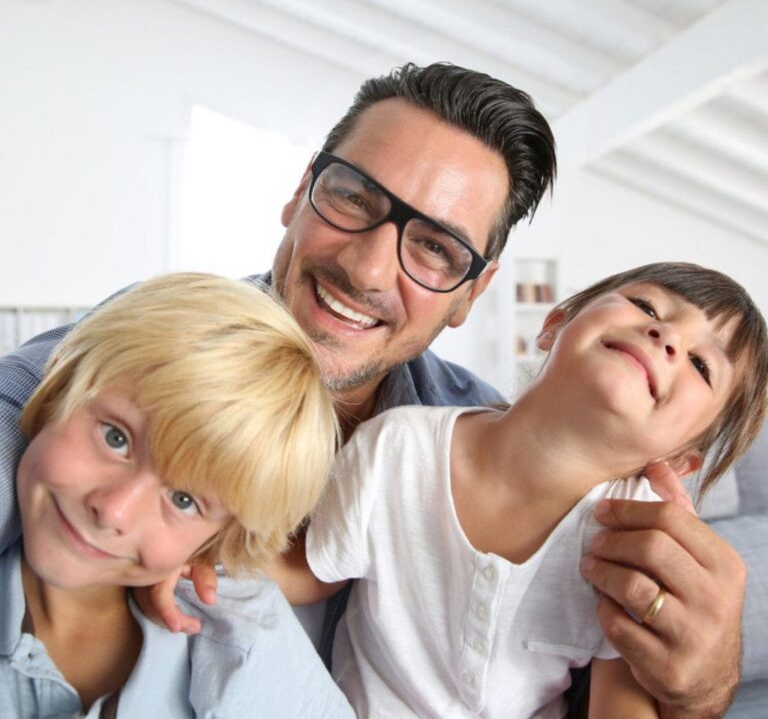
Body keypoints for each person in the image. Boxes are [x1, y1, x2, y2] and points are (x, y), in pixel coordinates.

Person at [0, 63, 754, 717]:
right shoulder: (165, 344)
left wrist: (699, 681)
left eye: (434, 246)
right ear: (300, 193)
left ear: (471, 295)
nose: (365, 270)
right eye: (355, 198)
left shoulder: (471, 429)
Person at [267, 261, 768, 718]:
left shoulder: (640, 532)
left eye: (702, 365)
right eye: (646, 306)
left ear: (682, 460)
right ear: (555, 324)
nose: (668, 338)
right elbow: (311, 573)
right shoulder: (396, 444)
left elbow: (620, 697)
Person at [0, 272, 353, 717]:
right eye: (115, 438)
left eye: (184, 501)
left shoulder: (242, 644)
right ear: (59, 389)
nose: (114, 511)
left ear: (215, 541)